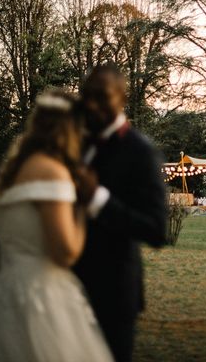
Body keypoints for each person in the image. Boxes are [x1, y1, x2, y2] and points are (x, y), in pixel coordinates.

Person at [0, 90, 113, 362]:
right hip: (39, 295)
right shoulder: (53, 171)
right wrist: (81, 208)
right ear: (68, 129)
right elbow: (65, 253)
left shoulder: (13, 169)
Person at [73, 63, 167, 362]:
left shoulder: (140, 151)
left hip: (112, 293)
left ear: (122, 98)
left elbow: (156, 228)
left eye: (101, 96)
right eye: (87, 96)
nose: (91, 104)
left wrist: (98, 198)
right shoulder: (75, 143)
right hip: (66, 288)